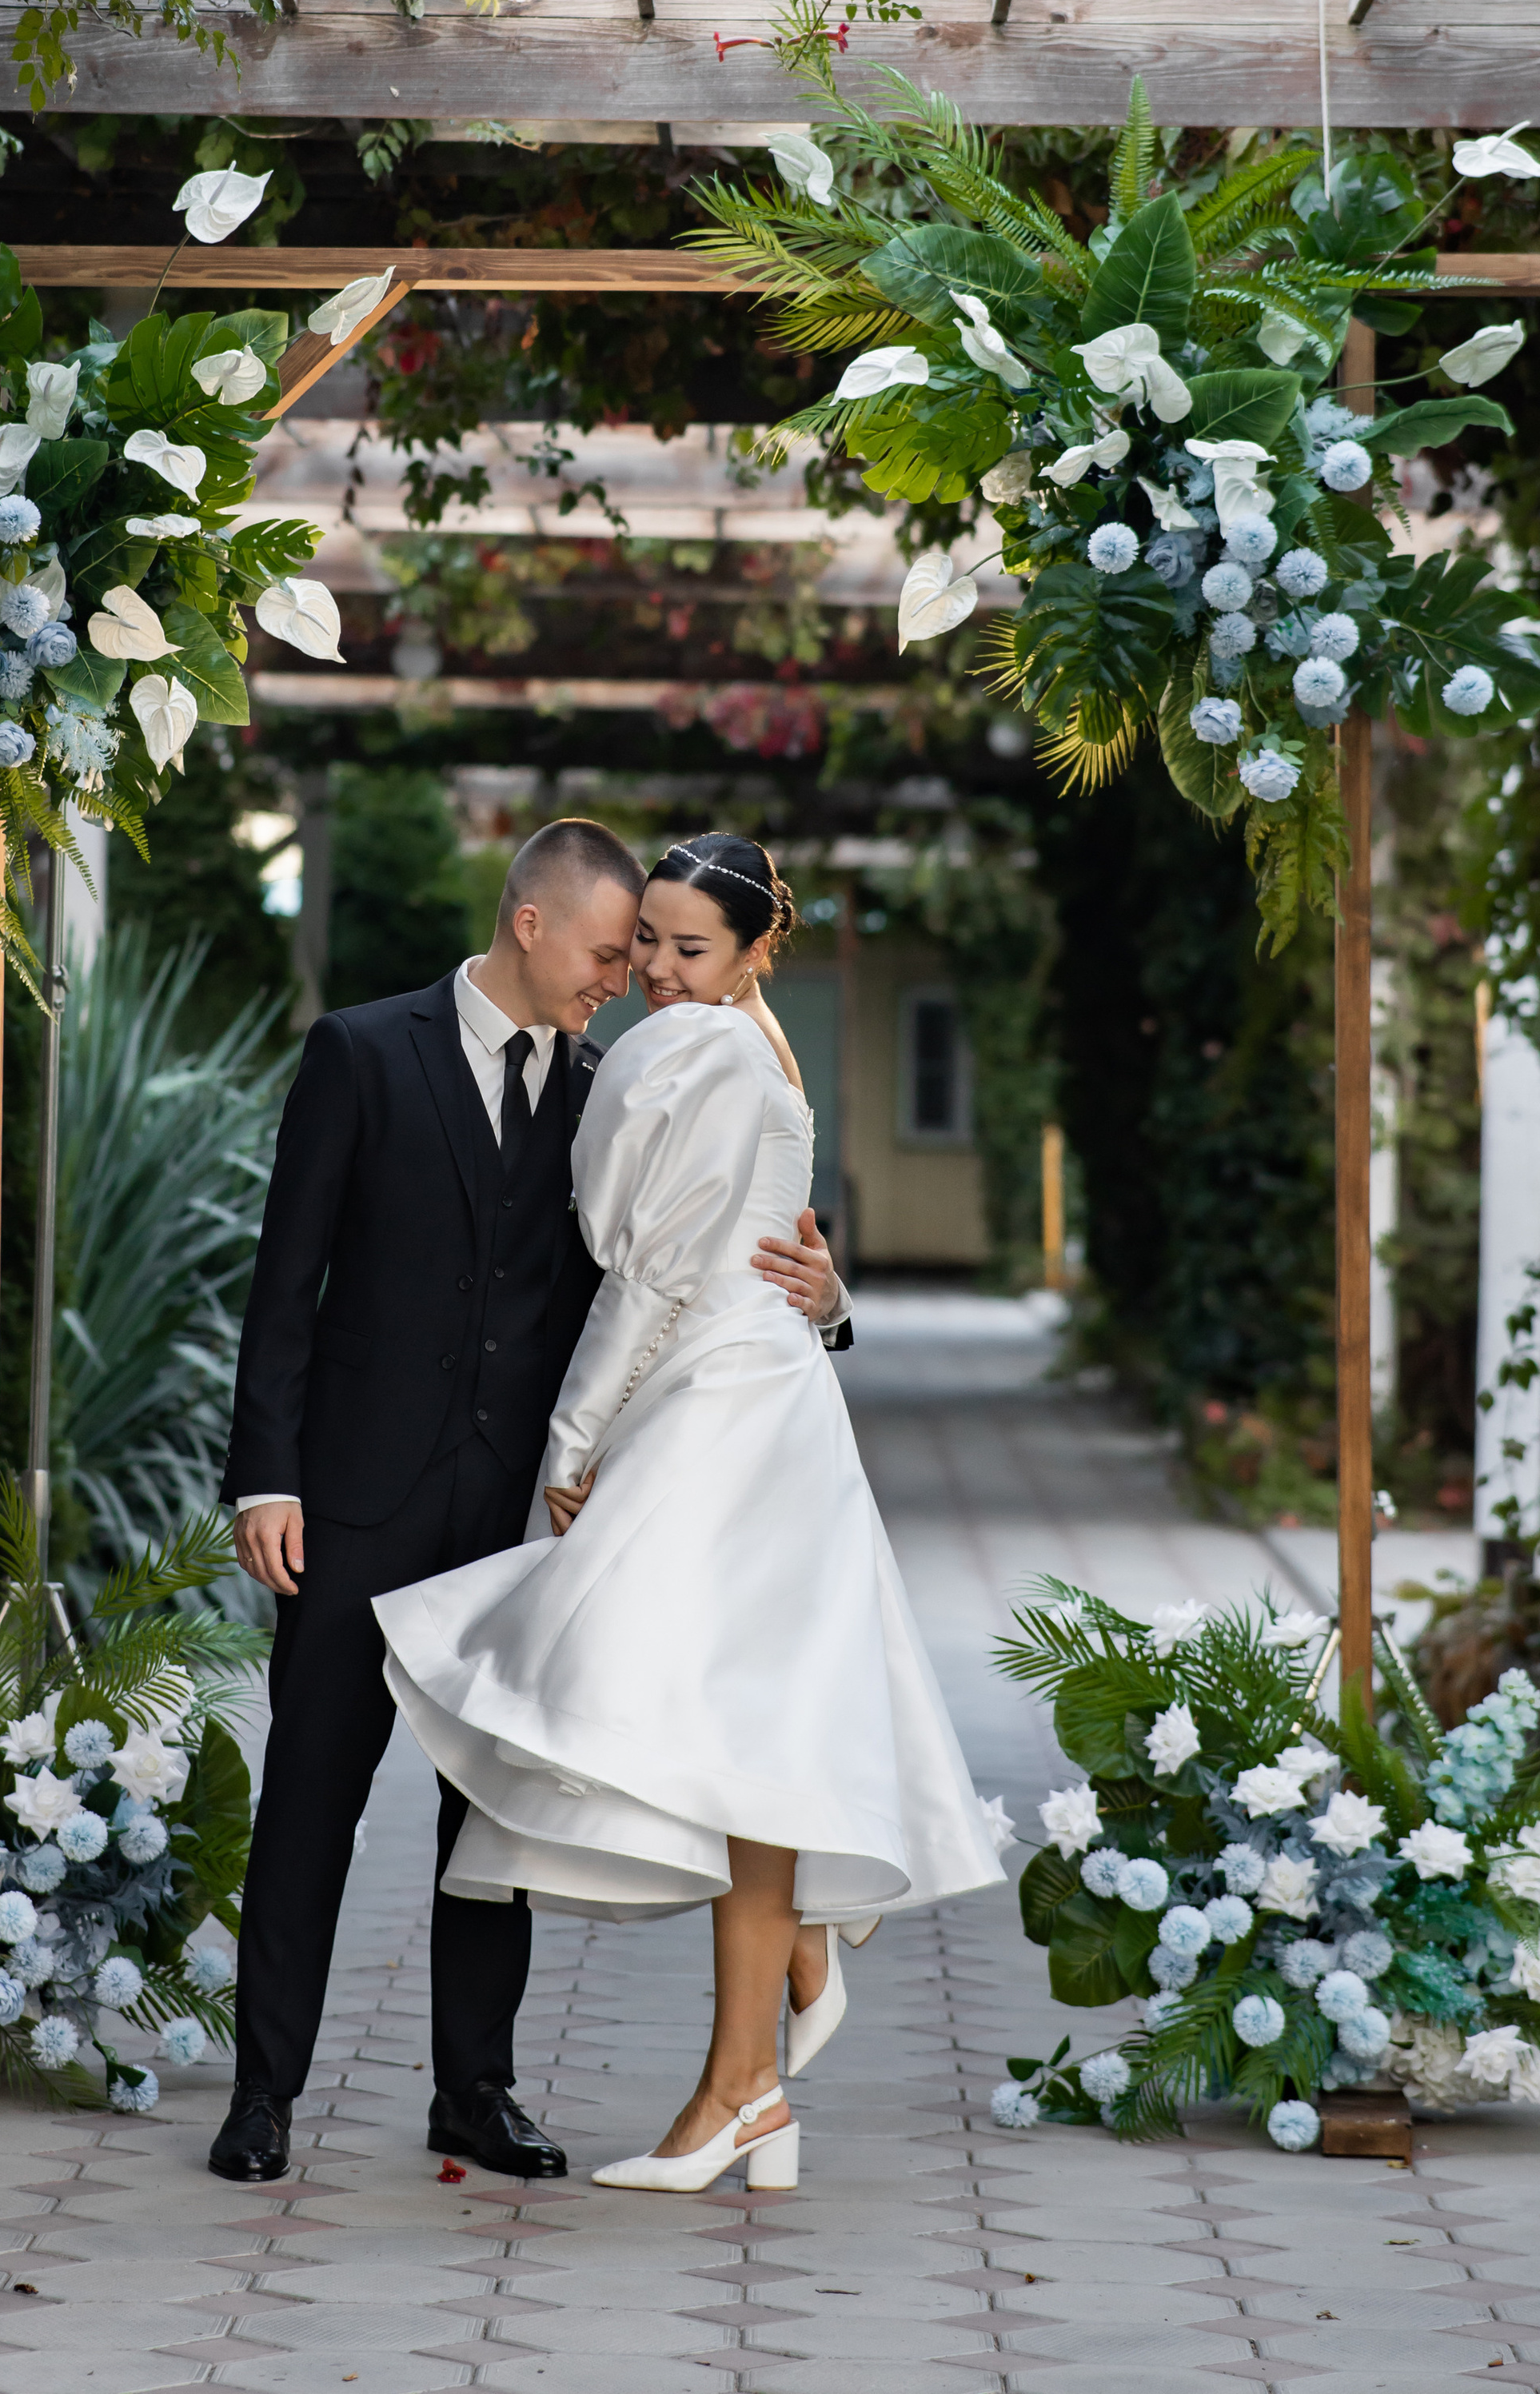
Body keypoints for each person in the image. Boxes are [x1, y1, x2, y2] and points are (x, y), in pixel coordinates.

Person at [210, 817, 852, 2189]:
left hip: (518, 1512)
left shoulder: (612, 1087)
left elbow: (685, 1272)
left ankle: (475, 2092)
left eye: (651, 957)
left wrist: (827, 1307)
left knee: (486, 1822)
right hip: (350, 1502)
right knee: (310, 1799)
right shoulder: (360, 1052)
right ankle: (263, 2094)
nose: (625, 982)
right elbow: (286, 1283)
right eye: (614, 953)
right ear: (532, 924)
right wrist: (264, 1474)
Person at [377, 832, 1005, 2196]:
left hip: (715, 1406)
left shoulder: (699, 1054)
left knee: (630, 1680)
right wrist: (828, 1305)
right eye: (645, 940)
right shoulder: (764, 1053)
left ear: (755, 950)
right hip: (753, 1394)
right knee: (740, 1719)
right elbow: (770, 1252)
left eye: (687, 947)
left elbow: (653, 1277)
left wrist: (572, 1435)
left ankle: (750, 2067)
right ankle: (768, 2039)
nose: (656, 968)